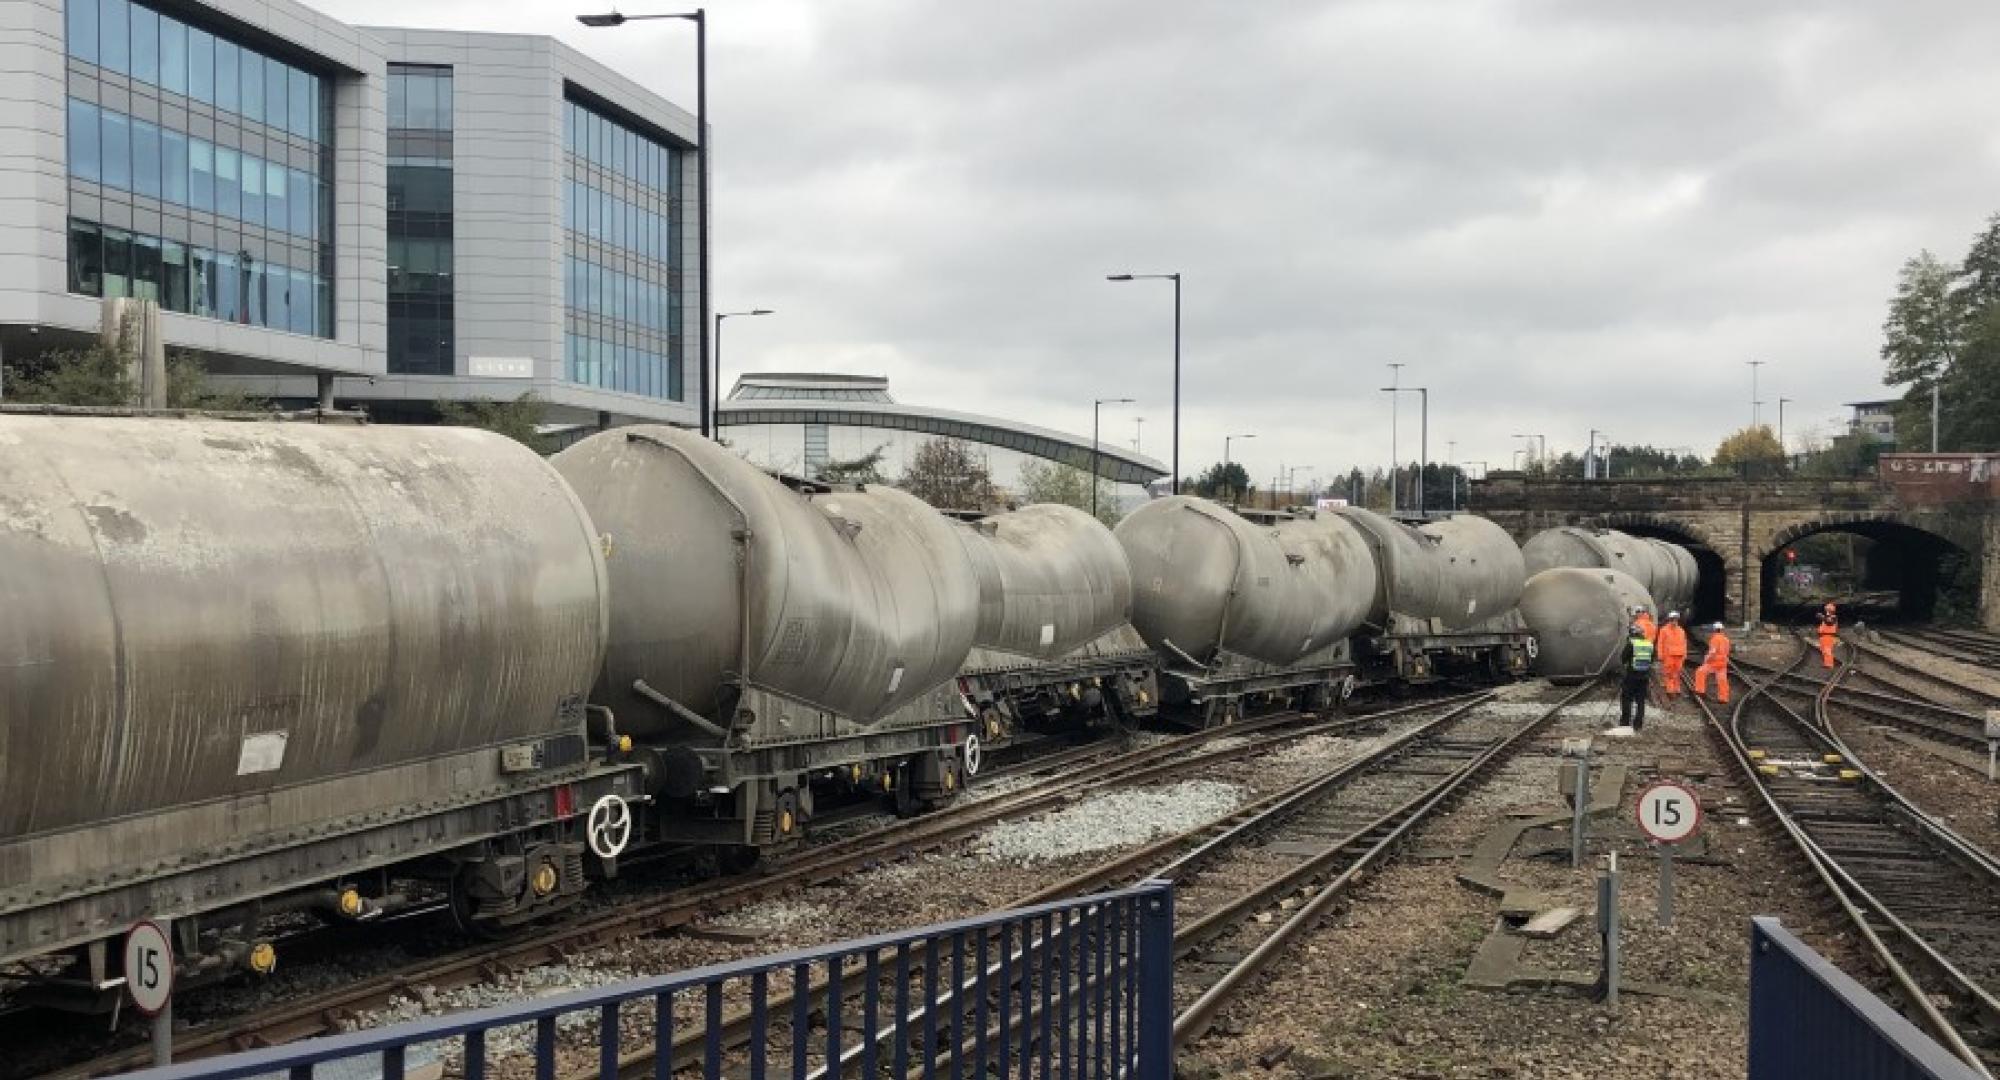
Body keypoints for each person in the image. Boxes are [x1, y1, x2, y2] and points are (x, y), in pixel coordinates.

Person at [1619, 621, 1655, 731]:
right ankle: (1638, 724)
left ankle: (1625, 722)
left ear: (1632, 633)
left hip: (1631, 676)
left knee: (1627, 698)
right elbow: (1652, 659)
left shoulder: (1631, 643)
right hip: (1644, 677)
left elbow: (1623, 658)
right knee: (1640, 701)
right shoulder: (1649, 644)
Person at [1694, 622, 1732, 704]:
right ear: (1722, 630)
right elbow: (1727, 652)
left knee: (1700, 672)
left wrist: (1706, 659)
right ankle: (1723, 698)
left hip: (1713, 663)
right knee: (1722, 680)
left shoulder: (1714, 639)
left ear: (1714, 630)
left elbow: (1712, 652)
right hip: (1723, 663)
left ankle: (1700, 690)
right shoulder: (1726, 640)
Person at [1657, 611, 1689, 699]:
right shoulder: (1664, 630)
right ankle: (1670, 691)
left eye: (1676, 620)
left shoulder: (1681, 631)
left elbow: (1684, 643)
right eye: (1673, 620)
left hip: (1679, 655)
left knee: (1677, 673)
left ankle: (1677, 689)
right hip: (1669, 656)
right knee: (1669, 673)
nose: (1674, 622)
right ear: (1670, 620)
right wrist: (1660, 654)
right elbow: (1660, 643)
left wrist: (1685, 654)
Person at [1816, 602, 1839, 669]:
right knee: (1824, 650)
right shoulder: (1828, 617)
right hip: (1824, 636)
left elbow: (1829, 622)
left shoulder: (1833, 617)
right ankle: (1827, 663)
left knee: (1827, 650)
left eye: (1828, 610)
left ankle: (1829, 664)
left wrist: (1822, 617)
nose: (1826, 611)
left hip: (1828, 636)